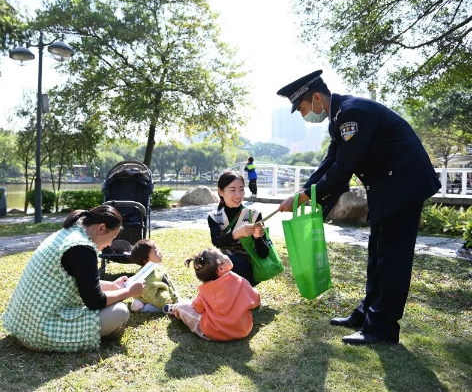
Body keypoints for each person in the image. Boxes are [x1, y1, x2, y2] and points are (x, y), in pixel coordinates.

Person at [276, 70, 441, 345]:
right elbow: (330, 162)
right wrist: (303, 190)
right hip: (388, 187)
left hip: (404, 187)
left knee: (392, 260)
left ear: (317, 97)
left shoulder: (353, 114)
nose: (305, 115)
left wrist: (306, 197)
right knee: (377, 256)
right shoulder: (338, 118)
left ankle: (382, 328)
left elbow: (344, 167)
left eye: (304, 108)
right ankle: (367, 315)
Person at [2, 205, 146, 352]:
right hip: (40, 333)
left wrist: (113, 285)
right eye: (112, 238)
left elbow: (80, 281)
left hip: (24, 325)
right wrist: (128, 292)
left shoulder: (69, 233)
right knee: (120, 312)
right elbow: (95, 301)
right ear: (101, 228)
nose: (109, 244)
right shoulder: (83, 249)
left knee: (114, 306)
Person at [164, 247, 261, 341]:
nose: (227, 256)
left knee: (184, 307)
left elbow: (197, 308)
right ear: (221, 268)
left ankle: (175, 308)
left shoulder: (206, 290)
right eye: (223, 255)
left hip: (213, 332)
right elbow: (256, 300)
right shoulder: (241, 281)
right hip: (242, 330)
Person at [208, 170, 270, 286]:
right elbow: (217, 241)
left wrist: (258, 238)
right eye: (232, 190)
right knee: (205, 260)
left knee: (227, 262)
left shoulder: (254, 215)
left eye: (241, 189)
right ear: (221, 192)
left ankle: (242, 294)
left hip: (248, 270)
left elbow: (264, 254)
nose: (238, 195)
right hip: (223, 268)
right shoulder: (215, 217)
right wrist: (237, 233)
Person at [128, 239, 180, 312]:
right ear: (145, 260)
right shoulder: (147, 276)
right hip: (151, 299)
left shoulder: (157, 268)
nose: (160, 253)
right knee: (159, 307)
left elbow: (168, 283)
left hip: (154, 297)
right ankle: (143, 307)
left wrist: (174, 295)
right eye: (156, 253)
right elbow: (149, 291)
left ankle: (140, 304)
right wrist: (166, 301)